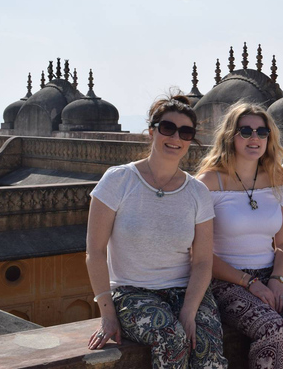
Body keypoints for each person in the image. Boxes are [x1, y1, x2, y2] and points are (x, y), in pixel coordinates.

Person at [86, 94, 227, 369]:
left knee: (207, 342)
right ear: (152, 131)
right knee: (171, 338)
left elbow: (202, 261)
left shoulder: (197, 192)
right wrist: (107, 312)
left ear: (191, 140)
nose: (175, 137)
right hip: (132, 292)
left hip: (184, 290)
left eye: (185, 132)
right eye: (167, 128)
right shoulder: (119, 180)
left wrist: (189, 310)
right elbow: (94, 251)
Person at [196, 103, 283, 369]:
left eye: (262, 132)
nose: (255, 138)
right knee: (272, 329)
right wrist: (249, 282)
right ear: (231, 136)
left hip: (271, 275)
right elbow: (199, 253)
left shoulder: (276, 179)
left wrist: (277, 279)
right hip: (226, 279)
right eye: (246, 131)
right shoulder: (208, 183)